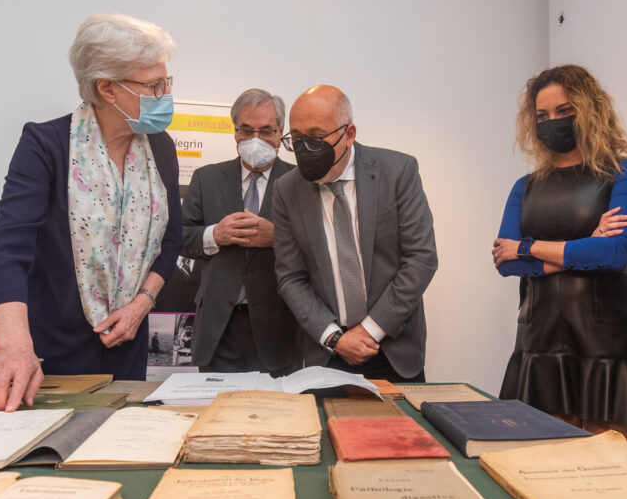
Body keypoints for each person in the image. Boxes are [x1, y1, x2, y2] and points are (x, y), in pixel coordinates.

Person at [0, 14, 181, 411]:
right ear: (107, 88)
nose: (164, 94)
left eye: (166, 82)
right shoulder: (46, 144)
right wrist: (13, 347)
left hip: (128, 347)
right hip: (54, 354)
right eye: (153, 85)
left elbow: (171, 241)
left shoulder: (161, 148)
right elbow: (8, 246)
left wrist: (140, 304)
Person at [492, 65, 627, 443]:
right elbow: (505, 262)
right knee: (549, 458)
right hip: (540, 332)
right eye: (541, 116)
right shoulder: (525, 187)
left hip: (606, 334)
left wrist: (529, 247)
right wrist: (583, 244)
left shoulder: (624, 173)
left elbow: (616, 250)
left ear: (589, 109)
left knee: (607, 465)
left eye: (563, 111)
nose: (551, 122)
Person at [272, 85, 437, 382]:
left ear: (349, 134)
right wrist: (336, 338)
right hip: (327, 354)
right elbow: (290, 277)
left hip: (393, 350)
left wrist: (369, 330)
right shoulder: (287, 189)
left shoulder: (397, 172)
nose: (304, 149)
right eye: (296, 139)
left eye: (316, 137)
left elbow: (421, 259)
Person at [180, 88, 302, 375]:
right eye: (246, 131)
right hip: (219, 329)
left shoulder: (300, 183)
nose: (255, 140)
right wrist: (214, 236)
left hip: (279, 328)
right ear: (235, 132)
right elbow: (181, 238)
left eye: (265, 131)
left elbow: (320, 247)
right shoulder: (206, 178)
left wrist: (278, 237)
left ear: (280, 132)